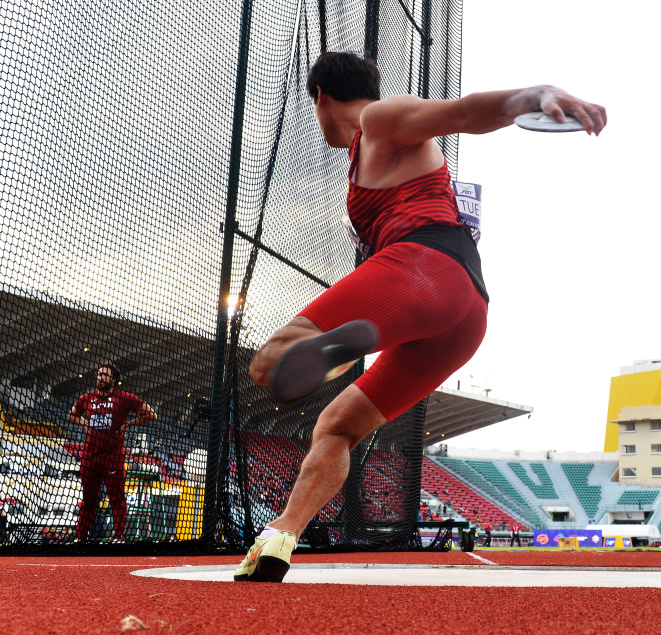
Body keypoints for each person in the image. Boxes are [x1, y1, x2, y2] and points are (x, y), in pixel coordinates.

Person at [234, 51, 606, 582]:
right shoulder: (372, 150)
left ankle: (338, 353)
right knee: (337, 426)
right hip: (465, 314)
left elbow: (462, 114)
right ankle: (281, 536)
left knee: (269, 362)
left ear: (320, 97)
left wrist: (536, 95)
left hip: (424, 270)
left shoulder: (379, 119)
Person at [70, 363, 156, 543]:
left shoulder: (124, 398)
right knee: (89, 500)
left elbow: (151, 415)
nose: (100, 377)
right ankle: (80, 538)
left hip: (113, 456)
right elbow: (72, 415)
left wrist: (127, 425)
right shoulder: (87, 398)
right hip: (90, 455)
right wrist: (84, 423)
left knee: (117, 498)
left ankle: (119, 538)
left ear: (114, 380)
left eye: (105, 375)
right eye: (99, 374)